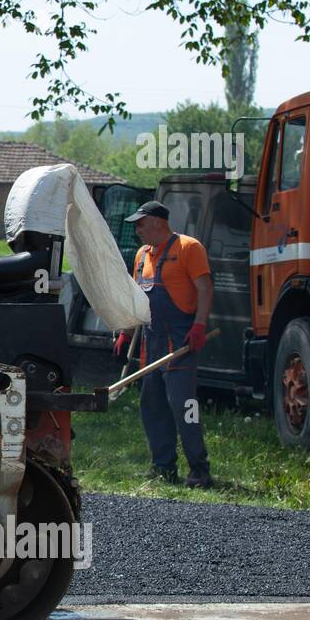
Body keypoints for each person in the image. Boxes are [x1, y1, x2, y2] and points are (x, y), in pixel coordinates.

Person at [112, 200, 214, 488]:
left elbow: (205, 288)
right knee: (152, 407)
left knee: (184, 406)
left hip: (180, 341)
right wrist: (126, 334)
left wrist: (199, 325)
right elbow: (137, 301)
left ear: (157, 221)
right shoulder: (143, 255)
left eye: (140, 224)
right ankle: (163, 467)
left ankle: (199, 469)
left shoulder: (188, 248)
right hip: (151, 344)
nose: (137, 231)